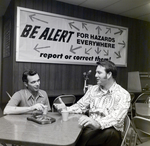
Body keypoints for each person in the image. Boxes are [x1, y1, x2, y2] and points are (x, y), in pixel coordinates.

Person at [54, 60, 131, 146]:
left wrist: (97, 123)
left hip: (110, 132)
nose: (95, 75)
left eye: (99, 73)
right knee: (71, 132)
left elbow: (116, 118)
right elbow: (81, 106)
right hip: (91, 129)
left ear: (109, 75)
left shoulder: (123, 94)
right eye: (96, 72)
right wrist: (66, 109)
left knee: (110, 133)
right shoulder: (93, 90)